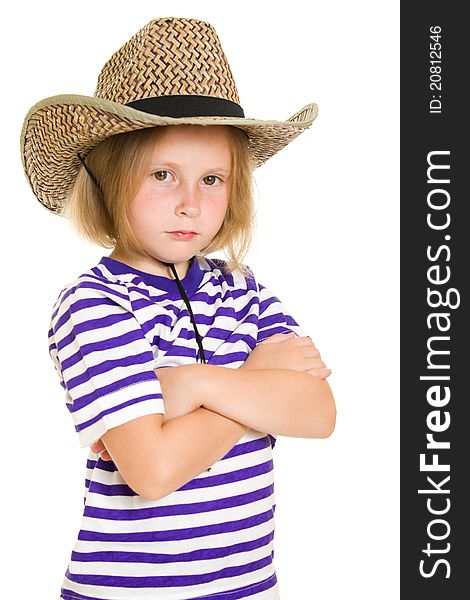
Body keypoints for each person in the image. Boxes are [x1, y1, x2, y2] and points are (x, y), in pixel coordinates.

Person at [21, 16, 336, 600]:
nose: (191, 204)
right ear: (110, 180)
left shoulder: (241, 289)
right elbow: (154, 470)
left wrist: (191, 383)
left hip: (245, 587)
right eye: (163, 174)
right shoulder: (95, 303)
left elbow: (318, 413)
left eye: (212, 179)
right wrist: (254, 388)